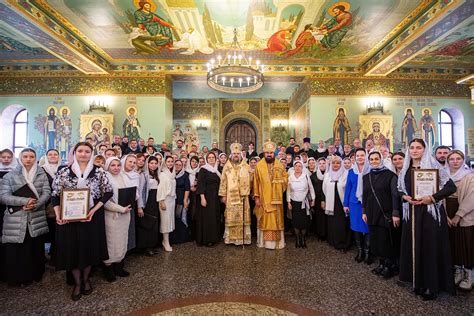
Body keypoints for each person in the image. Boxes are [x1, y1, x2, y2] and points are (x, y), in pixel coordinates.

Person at [52, 142, 113, 301]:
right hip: (69, 218)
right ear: (75, 152)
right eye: (80, 151)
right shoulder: (64, 171)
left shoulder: (99, 171)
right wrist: (58, 215)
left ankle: (86, 279)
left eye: (87, 151)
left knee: (88, 249)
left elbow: (108, 193)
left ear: (91, 154)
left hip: (91, 218)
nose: (83, 154)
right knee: (72, 250)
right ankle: (77, 283)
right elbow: (55, 194)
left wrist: (93, 210)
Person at [398, 138, 456, 300]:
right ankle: (418, 282)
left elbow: (451, 187)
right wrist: (405, 197)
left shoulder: (434, 167)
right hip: (412, 213)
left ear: (424, 149)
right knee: (415, 247)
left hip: (430, 214)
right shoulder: (406, 168)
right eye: (412, 148)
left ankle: (432, 285)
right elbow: (399, 189)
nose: (415, 150)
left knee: (430, 248)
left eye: (418, 148)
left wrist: (432, 197)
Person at [0, 148, 50, 286]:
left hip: (36, 215)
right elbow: (3, 196)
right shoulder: (10, 176)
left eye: (32, 157)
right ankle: (17, 278)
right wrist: (25, 201)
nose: (28, 159)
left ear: (35, 158)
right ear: (20, 158)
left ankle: (35, 274)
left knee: (34, 247)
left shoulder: (41, 174)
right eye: (25, 156)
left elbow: (47, 192)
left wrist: (36, 204)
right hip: (16, 217)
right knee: (17, 248)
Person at [363, 151, 401, 278]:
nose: (374, 161)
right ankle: (381, 263)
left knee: (386, 240)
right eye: (371, 159)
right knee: (376, 240)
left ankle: (390, 266)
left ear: (381, 160)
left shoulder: (390, 175)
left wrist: (395, 213)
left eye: (376, 159)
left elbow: (395, 195)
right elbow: (365, 195)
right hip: (371, 212)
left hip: (386, 212)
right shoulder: (366, 176)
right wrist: (364, 211)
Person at [446, 150, 473, 291]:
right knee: (453, 242)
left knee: (466, 243)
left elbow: (471, 197)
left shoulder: (469, 176)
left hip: (464, 213)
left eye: (458, 158)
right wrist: (445, 215)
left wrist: (458, 215)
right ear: (448, 161)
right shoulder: (443, 175)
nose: (455, 161)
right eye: (452, 159)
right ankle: (458, 270)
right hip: (447, 211)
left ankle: (469, 273)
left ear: (463, 160)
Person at [102, 157, 132, 282]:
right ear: (107, 166)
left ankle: (119, 266)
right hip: (112, 216)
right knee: (111, 243)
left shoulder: (124, 177)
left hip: (125, 215)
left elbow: (131, 193)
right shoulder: (104, 179)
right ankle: (108, 269)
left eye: (118, 165)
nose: (116, 168)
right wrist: (120, 209)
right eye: (112, 165)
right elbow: (104, 202)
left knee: (122, 240)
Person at [253, 141, 288, 249]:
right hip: (263, 199)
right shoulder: (259, 166)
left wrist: (280, 181)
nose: (269, 154)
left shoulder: (279, 165)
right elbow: (255, 182)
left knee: (276, 220)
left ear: (274, 153)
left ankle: (278, 244)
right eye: (267, 152)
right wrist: (257, 197)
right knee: (265, 220)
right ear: (264, 153)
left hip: (276, 201)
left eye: (271, 153)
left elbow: (285, 178)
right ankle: (263, 243)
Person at [219, 143, 251, 245]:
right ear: (231, 154)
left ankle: (243, 239)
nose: (236, 155)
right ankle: (231, 239)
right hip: (230, 197)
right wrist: (223, 195)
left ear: (240, 154)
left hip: (243, 197)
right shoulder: (227, 166)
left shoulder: (245, 165)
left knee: (243, 217)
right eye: (234, 153)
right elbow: (223, 181)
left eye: (238, 153)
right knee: (231, 217)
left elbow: (251, 180)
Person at [343, 148, 370, 263]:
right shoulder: (351, 171)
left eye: (362, 155)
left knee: (368, 228)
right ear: (355, 157)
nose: (360, 157)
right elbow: (348, 188)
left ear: (366, 156)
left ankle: (368, 253)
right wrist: (345, 204)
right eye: (358, 155)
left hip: (367, 203)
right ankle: (360, 251)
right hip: (354, 203)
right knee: (356, 227)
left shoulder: (370, 170)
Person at [322, 155, 350, 251]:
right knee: (332, 223)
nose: (335, 165)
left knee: (341, 224)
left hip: (342, 203)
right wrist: (324, 201)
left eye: (338, 163)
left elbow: (348, 189)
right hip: (330, 202)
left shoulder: (346, 174)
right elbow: (324, 189)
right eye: (333, 163)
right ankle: (332, 241)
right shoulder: (327, 175)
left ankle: (342, 242)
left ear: (341, 164)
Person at [287, 160, 315, 248]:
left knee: (304, 221)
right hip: (294, 202)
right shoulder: (290, 177)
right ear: (293, 167)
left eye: (300, 166)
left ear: (302, 167)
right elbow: (288, 190)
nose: (298, 167)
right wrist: (288, 202)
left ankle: (303, 238)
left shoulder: (305, 176)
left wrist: (313, 199)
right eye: (296, 166)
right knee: (295, 221)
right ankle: (297, 238)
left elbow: (311, 187)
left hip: (304, 201)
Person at [196, 152, 221, 246]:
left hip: (215, 197)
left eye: (213, 157)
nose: (211, 159)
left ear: (215, 159)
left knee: (215, 217)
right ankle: (207, 239)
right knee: (207, 218)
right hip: (207, 196)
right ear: (207, 159)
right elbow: (200, 184)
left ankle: (215, 238)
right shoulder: (203, 169)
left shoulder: (217, 170)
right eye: (209, 157)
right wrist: (202, 198)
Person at [136, 156, 160, 256]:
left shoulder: (157, 175)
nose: (153, 165)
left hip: (155, 201)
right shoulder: (143, 175)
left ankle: (152, 245)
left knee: (154, 223)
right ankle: (145, 247)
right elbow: (140, 191)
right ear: (147, 164)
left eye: (155, 163)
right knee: (146, 224)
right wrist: (140, 206)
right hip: (147, 201)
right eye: (151, 163)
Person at [41, 149, 60, 263]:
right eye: (50, 154)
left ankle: (55, 254)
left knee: (58, 230)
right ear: (46, 157)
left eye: (55, 154)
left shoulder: (64, 168)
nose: (53, 156)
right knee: (47, 229)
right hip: (46, 204)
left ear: (58, 156)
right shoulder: (41, 169)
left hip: (59, 203)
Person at [121, 155, 140, 252]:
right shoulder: (118, 173)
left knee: (129, 228)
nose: (132, 164)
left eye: (134, 162)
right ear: (124, 161)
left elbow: (137, 191)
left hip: (130, 205)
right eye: (130, 162)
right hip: (118, 206)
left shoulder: (136, 175)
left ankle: (127, 250)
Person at [157, 156, 176, 252]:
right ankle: (165, 242)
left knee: (170, 221)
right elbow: (160, 188)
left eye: (172, 161)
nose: (170, 163)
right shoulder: (162, 174)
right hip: (165, 200)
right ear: (165, 163)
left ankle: (167, 240)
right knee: (165, 221)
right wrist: (161, 201)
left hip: (172, 200)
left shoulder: (172, 173)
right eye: (168, 161)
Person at [170, 159, 190, 244]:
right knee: (172, 218)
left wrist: (185, 200)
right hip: (171, 200)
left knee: (179, 218)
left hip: (180, 199)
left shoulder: (185, 175)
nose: (178, 166)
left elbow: (187, 189)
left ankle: (180, 238)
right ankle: (172, 238)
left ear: (182, 166)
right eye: (176, 164)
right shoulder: (171, 175)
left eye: (180, 165)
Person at [311, 158, 327, 240]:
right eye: (320, 163)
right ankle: (319, 234)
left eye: (323, 163)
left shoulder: (329, 174)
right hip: (317, 199)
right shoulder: (313, 175)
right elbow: (311, 188)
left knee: (326, 217)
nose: (322, 165)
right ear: (317, 165)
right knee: (318, 217)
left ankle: (326, 234)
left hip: (328, 199)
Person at [185, 156, 200, 240]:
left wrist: (196, 187)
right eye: (193, 161)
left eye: (196, 162)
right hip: (187, 194)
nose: (194, 163)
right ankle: (189, 233)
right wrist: (189, 188)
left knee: (195, 213)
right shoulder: (186, 172)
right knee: (188, 213)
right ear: (190, 162)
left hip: (196, 195)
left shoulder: (200, 172)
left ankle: (195, 233)